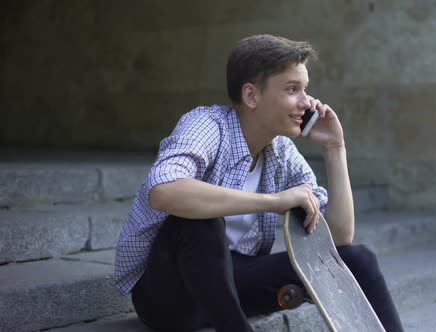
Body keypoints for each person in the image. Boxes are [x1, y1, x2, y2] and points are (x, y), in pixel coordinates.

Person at [114, 34, 404, 332]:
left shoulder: (281, 151)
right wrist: (275, 201)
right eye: (293, 89)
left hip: (233, 284)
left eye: (305, 89)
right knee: (202, 220)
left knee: (358, 258)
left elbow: (338, 238)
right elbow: (163, 191)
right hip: (167, 294)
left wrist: (335, 149)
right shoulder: (207, 125)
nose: (307, 102)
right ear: (251, 96)